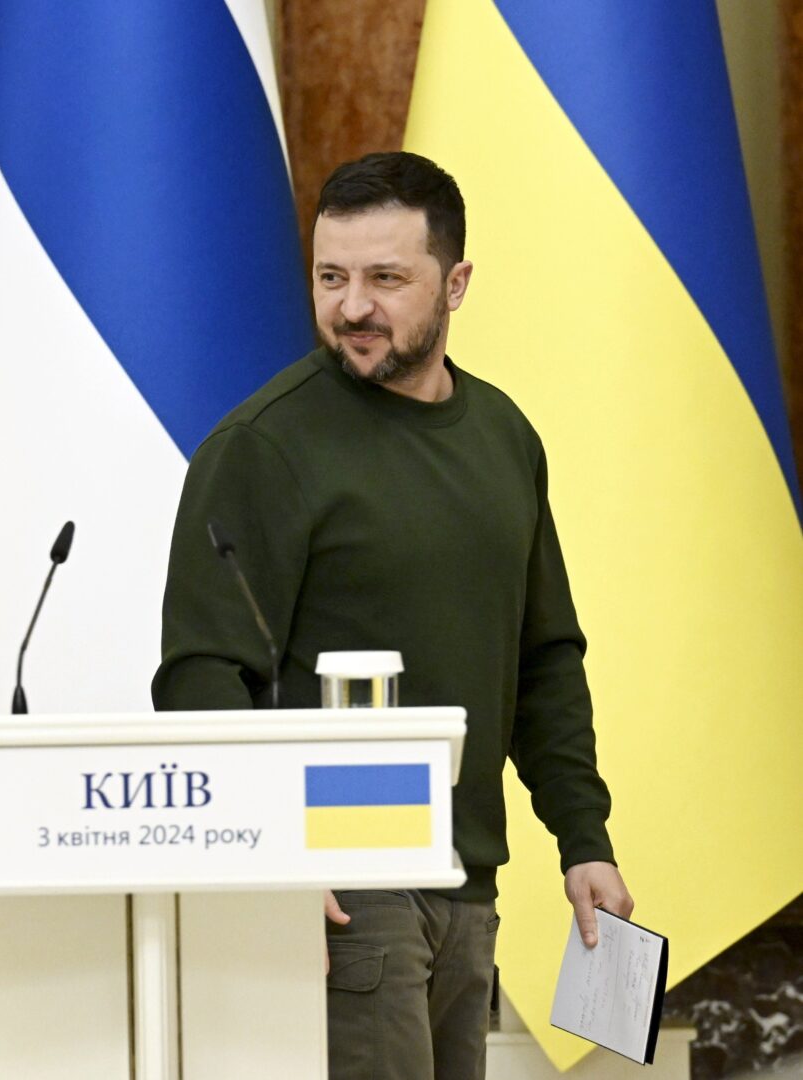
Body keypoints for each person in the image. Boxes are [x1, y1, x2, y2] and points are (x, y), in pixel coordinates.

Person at [153, 151, 633, 1080]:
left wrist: (584, 841)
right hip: (342, 891)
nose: (352, 307)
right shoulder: (262, 447)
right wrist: (272, 861)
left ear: (455, 284)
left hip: (467, 887)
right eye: (331, 277)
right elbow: (201, 678)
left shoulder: (504, 436)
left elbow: (543, 658)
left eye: (385, 278)